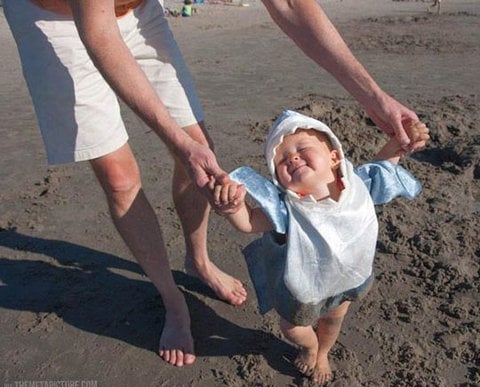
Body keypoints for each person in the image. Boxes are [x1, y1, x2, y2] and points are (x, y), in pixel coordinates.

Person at [3, 0, 419, 367]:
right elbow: (98, 33)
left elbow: (291, 4)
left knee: (199, 149)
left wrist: (374, 97)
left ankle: (198, 260)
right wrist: (182, 147)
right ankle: (172, 300)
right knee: (120, 177)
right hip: (52, 20)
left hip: (136, 9)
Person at [212, 110, 429, 383]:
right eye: (281, 159)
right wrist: (232, 207)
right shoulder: (287, 209)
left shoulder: (357, 186)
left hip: (348, 280)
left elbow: (384, 164)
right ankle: (309, 346)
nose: (292, 157)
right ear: (279, 180)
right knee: (292, 327)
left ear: (334, 157)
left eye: (302, 148)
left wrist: (403, 140)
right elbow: (248, 222)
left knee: (333, 321)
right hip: (305, 290)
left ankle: (323, 351)